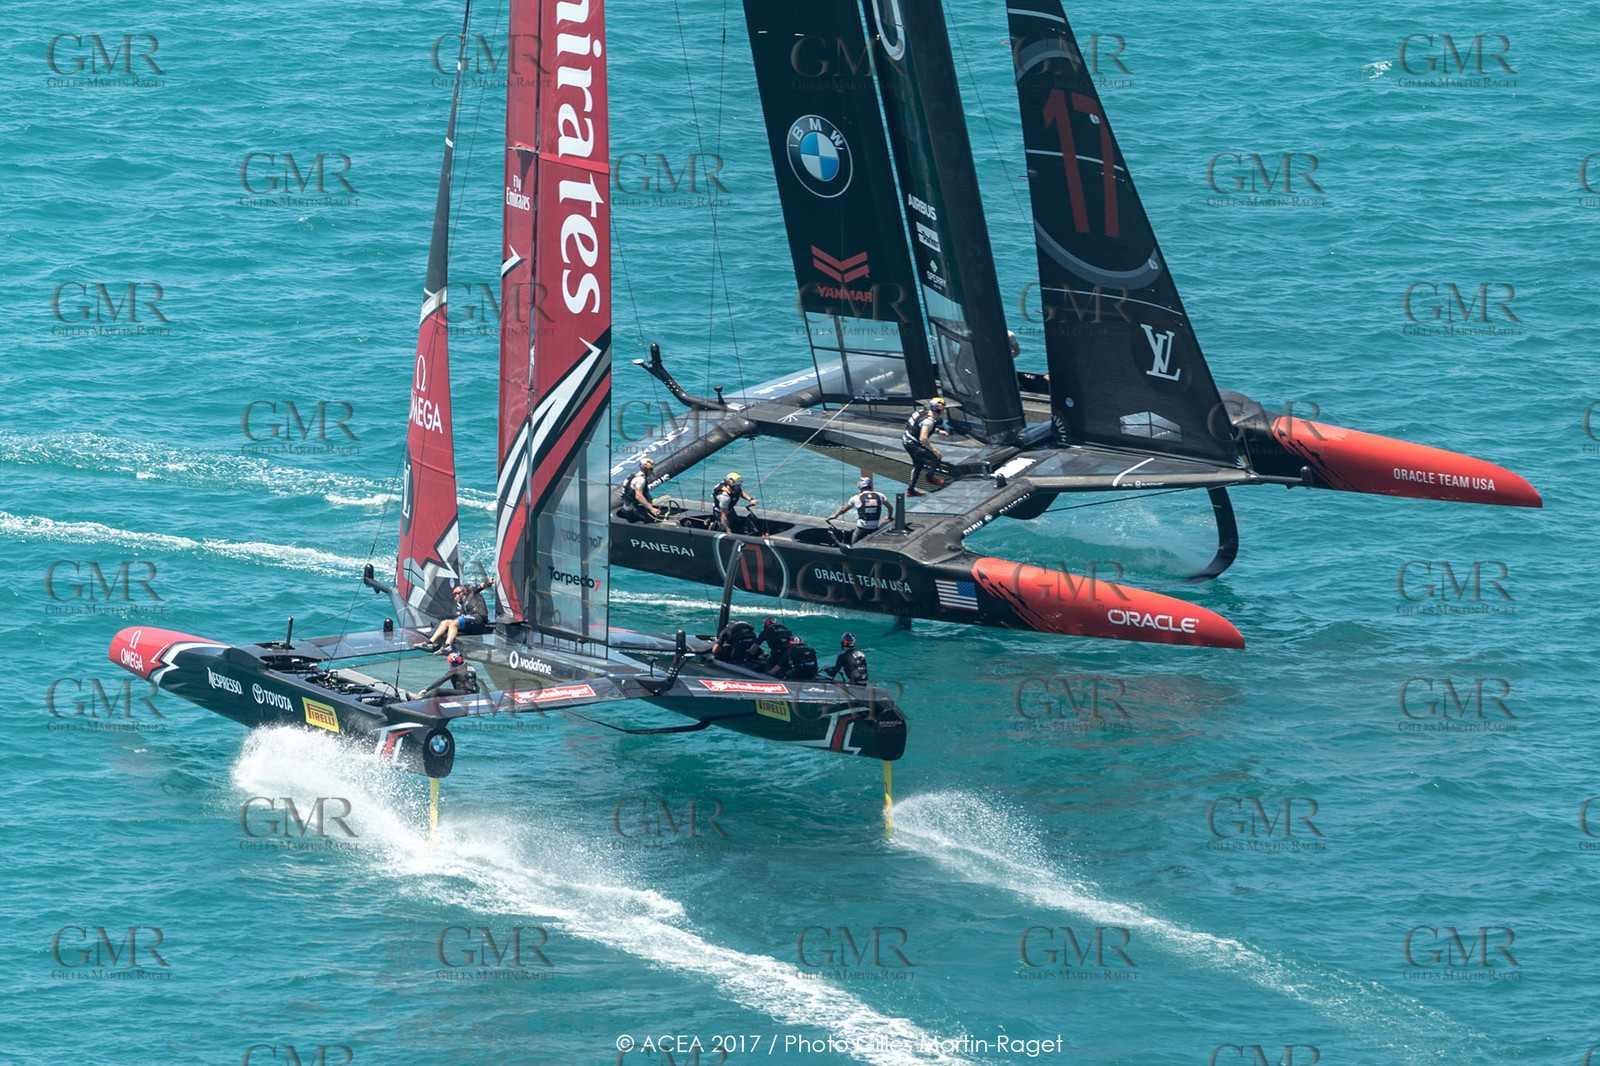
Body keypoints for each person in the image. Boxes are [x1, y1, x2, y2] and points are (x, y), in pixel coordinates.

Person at [422, 579, 493, 653]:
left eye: (456, 595)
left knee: (454, 622)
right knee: (445, 622)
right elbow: (463, 618)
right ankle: (430, 642)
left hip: (479, 618)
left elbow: (482, 586)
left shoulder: (472, 592)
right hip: (472, 622)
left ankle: (447, 646)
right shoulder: (463, 606)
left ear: (461, 593)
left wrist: (488, 583)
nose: (455, 598)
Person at [901, 397, 949, 497]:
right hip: (913, 444)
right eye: (943, 409)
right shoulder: (929, 421)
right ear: (938, 409)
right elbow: (923, 438)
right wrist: (934, 450)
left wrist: (938, 431)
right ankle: (929, 477)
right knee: (937, 457)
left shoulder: (922, 412)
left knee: (918, 464)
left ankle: (910, 490)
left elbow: (919, 425)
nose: (944, 411)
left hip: (906, 440)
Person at [826, 476, 891, 544]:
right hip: (874, 527)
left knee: (854, 542)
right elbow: (890, 508)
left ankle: (852, 549)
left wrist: (836, 515)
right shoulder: (880, 495)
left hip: (862, 529)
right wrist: (889, 516)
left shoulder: (856, 498)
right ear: (870, 486)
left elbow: (843, 509)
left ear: (860, 486)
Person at [618, 457, 662, 523]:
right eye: (651, 469)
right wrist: (651, 508)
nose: (652, 471)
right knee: (652, 521)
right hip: (632, 510)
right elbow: (638, 496)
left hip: (627, 507)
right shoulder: (641, 480)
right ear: (646, 469)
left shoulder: (633, 476)